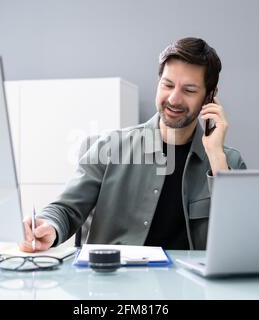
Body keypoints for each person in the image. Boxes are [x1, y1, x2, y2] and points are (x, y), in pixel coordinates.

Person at [19, 37, 246, 252]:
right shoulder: (108, 148)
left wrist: (216, 157)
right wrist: (49, 226)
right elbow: (66, 209)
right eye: (167, 85)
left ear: (209, 97)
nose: (174, 99)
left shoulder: (228, 162)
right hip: (114, 286)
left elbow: (239, 239)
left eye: (189, 90)